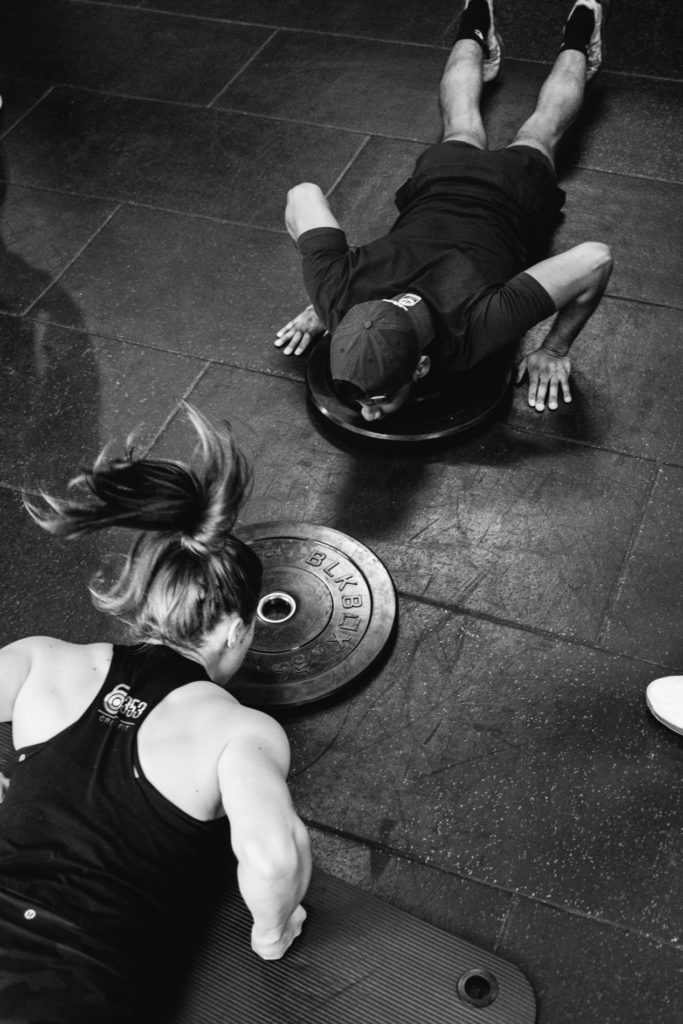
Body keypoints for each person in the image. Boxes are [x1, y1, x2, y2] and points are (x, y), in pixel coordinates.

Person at [0, 404, 311, 1023]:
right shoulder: (240, 731)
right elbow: (274, 858)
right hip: (70, 993)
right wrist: (273, 934)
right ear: (233, 628)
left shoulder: (38, 660)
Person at [275, 0, 613, 422]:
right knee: (463, 122)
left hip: (513, 192)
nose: (367, 416)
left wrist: (554, 349)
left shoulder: (477, 328)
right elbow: (302, 196)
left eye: (375, 401)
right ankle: (507, 21)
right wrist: (326, 298)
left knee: (541, 129)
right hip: (444, 177)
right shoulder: (337, 291)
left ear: (421, 366)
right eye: (369, 399)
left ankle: (564, 30)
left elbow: (595, 260)